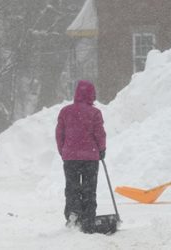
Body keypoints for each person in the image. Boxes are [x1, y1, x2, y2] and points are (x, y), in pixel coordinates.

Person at [55, 80, 106, 234]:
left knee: (72, 187)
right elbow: (100, 134)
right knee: (89, 189)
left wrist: (63, 151)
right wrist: (102, 149)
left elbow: (59, 134)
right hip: (90, 157)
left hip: (70, 157)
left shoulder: (65, 111)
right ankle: (88, 220)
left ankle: (73, 214)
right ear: (92, 94)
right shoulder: (95, 113)